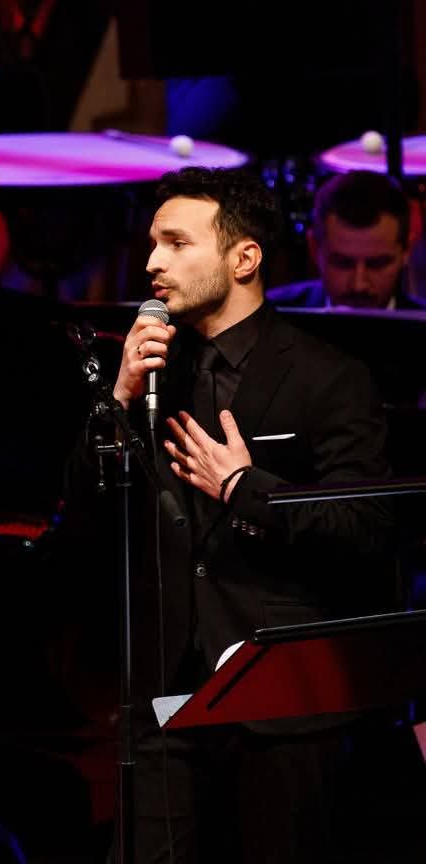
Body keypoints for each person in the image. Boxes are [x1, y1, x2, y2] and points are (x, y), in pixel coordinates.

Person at [107, 167, 397, 862]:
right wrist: (117, 400)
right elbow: (86, 513)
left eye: (177, 243)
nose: (152, 263)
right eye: (153, 243)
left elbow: (366, 526)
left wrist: (245, 487)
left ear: (244, 259)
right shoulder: (151, 370)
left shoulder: (329, 377)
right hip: (166, 701)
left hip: (280, 706)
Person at [266, 169, 423, 310]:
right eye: (342, 263)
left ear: (407, 250)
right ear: (314, 248)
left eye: (378, 264)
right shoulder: (267, 317)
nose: (359, 286)